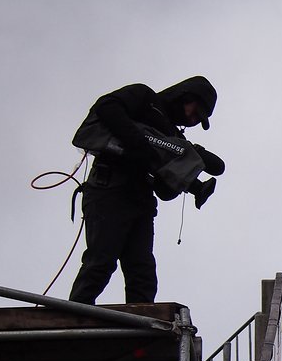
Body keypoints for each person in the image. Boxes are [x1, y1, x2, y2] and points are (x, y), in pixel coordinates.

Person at [68, 76, 223, 305]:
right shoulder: (144, 98)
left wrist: (188, 178)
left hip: (140, 200)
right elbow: (107, 107)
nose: (192, 119)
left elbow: (164, 190)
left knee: (142, 274)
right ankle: (73, 319)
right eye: (195, 111)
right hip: (108, 189)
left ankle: (139, 333)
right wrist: (139, 144)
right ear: (186, 96)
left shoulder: (172, 137)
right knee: (101, 261)